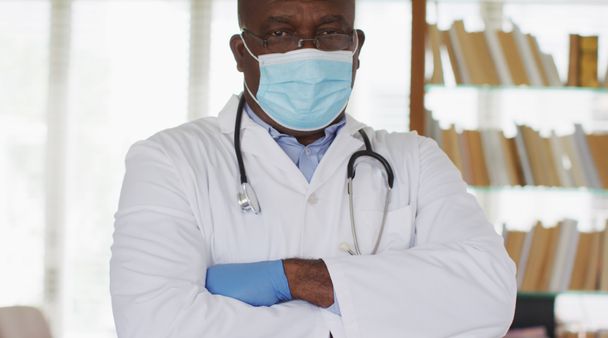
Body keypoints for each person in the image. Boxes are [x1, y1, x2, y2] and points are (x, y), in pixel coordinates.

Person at [110, 0, 517, 337]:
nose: (308, 51)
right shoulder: (168, 161)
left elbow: (490, 293)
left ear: (356, 48)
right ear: (241, 52)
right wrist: (361, 312)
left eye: (329, 32)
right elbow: (154, 324)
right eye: (280, 34)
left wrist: (294, 278)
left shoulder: (415, 158)